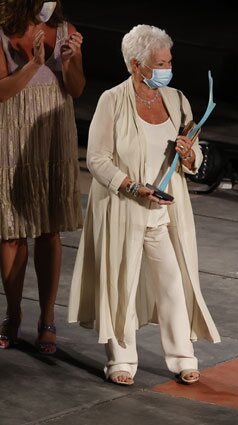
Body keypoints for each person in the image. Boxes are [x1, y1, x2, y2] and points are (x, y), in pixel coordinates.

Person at [67, 24, 220, 386]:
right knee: (122, 283)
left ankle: (183, 356)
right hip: (125, 208)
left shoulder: (176, 99)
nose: (168, 69)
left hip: (164, 211)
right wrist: (134, 187)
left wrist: (189, 155)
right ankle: (121, 359)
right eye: (160, 63)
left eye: (169, 61)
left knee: (172, 283)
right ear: (137, 65)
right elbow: (98, 159)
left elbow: (194, 153)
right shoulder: (112, 100)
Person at [0, 0, 84, 354]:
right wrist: (34, 63)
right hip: (14, 130)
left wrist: (69, 61)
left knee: (50, 228)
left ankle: (47, 319)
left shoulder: (66, 30)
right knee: (12, 230)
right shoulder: (4, 30)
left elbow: (76, 89)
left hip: (54, 130)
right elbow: (1, 90)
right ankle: (13, 314)